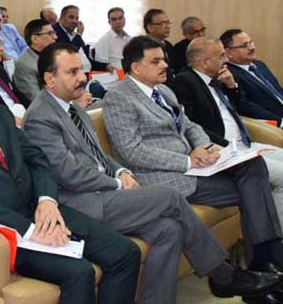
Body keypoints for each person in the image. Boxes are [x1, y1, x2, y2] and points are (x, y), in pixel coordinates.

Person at [23, 43, 275, 303]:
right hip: (81, 202)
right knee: (170, 197)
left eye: (81, 70)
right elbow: (68, 174)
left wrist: (121, 171)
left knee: (169, 230)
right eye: (72, 72)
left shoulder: (73, 108)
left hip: (105, 192)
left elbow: (99, 156)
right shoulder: (41, 117)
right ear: (50, 79)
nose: (82, 78)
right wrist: (116, 182)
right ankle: (224, 275)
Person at [0, 47, 141, 304]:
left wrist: (47, 200)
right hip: (5, 230)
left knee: (125, 252)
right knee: (79, 272)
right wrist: (33, 231)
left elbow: (38, 158)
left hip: (43, 211)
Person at [103, 36, 283, 278]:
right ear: (135, 67)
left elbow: (189, 125)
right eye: (155, 61)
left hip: (195, 167)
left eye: (163, 59)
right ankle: (266, 261)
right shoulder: (119, 98)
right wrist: (188, 161)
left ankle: (265, 263)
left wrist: (204, 147)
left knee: (253, 166)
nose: (164, 65)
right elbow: (132, 150)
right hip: (162, 177)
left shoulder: (163, 90)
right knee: (255, 187)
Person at [170, 37, 283, 225]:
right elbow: (188, 125)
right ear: (204, 62)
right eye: (221, 56)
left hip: (245, 144)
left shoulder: (217, 78)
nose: (226, 60)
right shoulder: (185, 82)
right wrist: (222, 146)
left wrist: (232, 86)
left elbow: (237, 109)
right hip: (224, 151)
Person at [223, 29, 283, 124]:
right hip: (275, 121)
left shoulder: (259, 65)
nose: (252, 48)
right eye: (244, 45)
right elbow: (245, 106)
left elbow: (277, 91)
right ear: (229, 52)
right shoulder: (230, 74)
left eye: (251, 42)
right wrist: (280, 121)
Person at [14, 18, 59, 104]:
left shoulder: (52, 55)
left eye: (54, 33)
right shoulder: (25, 65)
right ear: (35, 39)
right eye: (50, 33)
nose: (55, 37)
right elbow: (37, 99)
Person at [54, 5, 109, 73]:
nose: (74, 21)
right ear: (61, 18)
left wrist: (106, 66)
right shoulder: (54, 32)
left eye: (77, 18)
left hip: (87, 73)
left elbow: (87, 60)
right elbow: (69, 54)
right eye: (71, 17)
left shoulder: (75, 35)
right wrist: (79, 34)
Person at [143, 8, 183, 78]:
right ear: (149, 27)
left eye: (168, 23)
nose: (167, 27)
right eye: (162, 23)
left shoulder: (168, 45)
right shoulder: (143, 47)